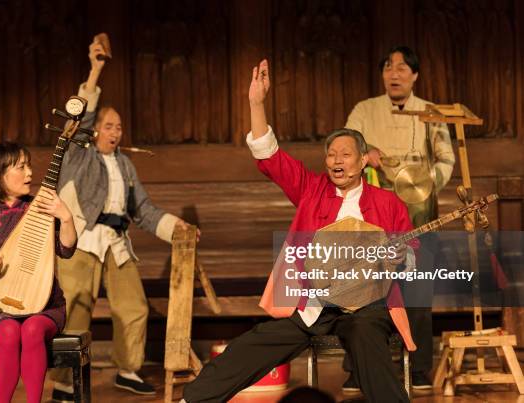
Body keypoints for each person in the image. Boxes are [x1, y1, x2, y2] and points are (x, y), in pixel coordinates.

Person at [180, 60, 416, 403]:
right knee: (255, 343)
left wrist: (401, 256)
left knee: (367, 338)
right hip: (315, 303)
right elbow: (270, 157)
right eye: (331, 154)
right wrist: (256, 104)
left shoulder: (388, 202)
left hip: (366, 305)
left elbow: (413, 255)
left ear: (364, 160)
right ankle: (193, 400)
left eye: (346, 154)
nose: (337, 160)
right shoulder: (311, 190)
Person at [51, 37, 197, 400]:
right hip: (80, 240)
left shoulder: (126, 165)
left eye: (119, 127)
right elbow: (79, 122)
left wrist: (174, 227)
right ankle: (66, 381)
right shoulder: (78, 156)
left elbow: (142, 210)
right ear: (95, 129)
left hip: (116, 243)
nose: (116, 132)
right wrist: (96, 68)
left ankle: (128, 369)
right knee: (76, 308)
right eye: (109, 125)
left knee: (133, 306)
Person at [343, 45, 455, 392]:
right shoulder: (364, 110)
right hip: (373, 216)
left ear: (415, 75)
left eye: (403, 68)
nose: (395, 74)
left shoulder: (430, 112)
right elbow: (347, 147)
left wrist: (423, 183)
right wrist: (366, 153)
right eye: (389, 68)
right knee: (363, 291)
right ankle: (357, 367)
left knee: (418, 292)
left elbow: (446, 160)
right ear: (382, 75)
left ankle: (418, 367)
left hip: (419, 215)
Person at [0, 142, 77, 403]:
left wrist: (66, 218)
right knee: (10, 332)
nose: (30, 174)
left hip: (46, 303)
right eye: (21, 167)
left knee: (33, 329)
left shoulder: (42, 208)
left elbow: (65, 250)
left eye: (29, 165)